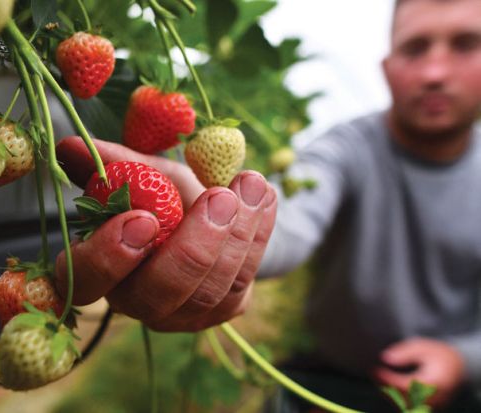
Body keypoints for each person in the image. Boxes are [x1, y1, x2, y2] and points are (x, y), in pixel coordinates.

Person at [55, 0, 481, 410]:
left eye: (465, 44)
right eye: (414, 47)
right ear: (387, 68)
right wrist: (223, 220)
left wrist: (463, 360)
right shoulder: (348, 148)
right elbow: (293, 221)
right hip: (328, 380)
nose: (434, 72)